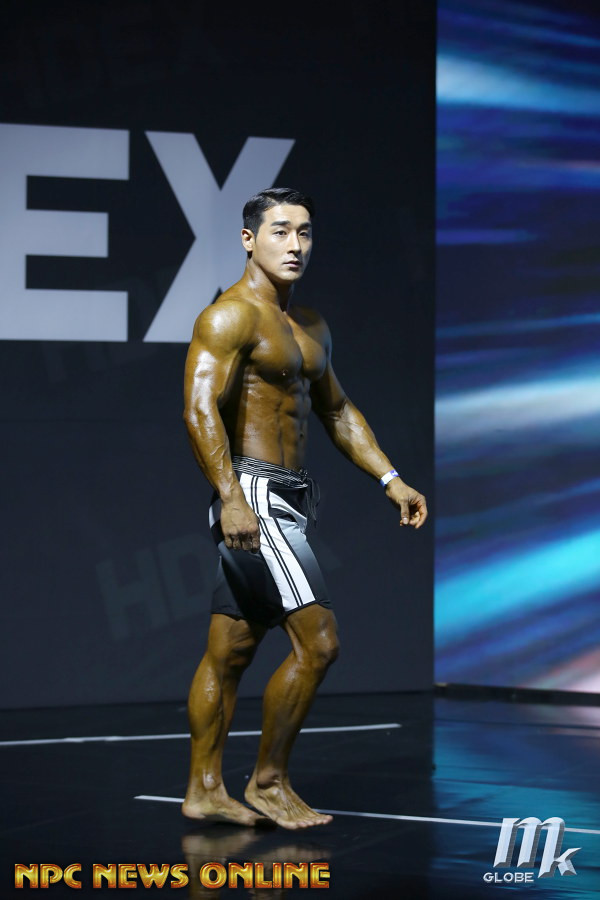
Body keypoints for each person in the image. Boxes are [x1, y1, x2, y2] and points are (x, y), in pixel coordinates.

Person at [182, 187, 427, 830]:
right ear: (248, 239)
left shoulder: (310, 326)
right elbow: (199, 409)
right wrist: (232, 498)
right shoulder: (229, 317)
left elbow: (337, 410)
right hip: (254, 496)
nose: (295, 245)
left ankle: (204, 789)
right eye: (281, 231)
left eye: (305, 233)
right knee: (319, 644)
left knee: (230, 650)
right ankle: (268, 782)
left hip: (289, 496)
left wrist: (390, 478)